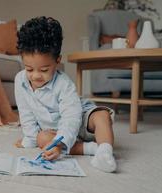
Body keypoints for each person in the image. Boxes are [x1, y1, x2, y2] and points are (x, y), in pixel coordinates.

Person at [14, 16, 117, 173]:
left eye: (44, 70)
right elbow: (25, 112)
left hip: (79, 118)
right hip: (56, 130)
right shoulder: (20, 80)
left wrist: (60, 144)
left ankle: (105, 152)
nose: (35, 76)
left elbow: (71, 116)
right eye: (29, 69)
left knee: (102, 116)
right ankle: (91, 148)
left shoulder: (64, 83)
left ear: (57, 61)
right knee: (41, 139)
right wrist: (30, 140)